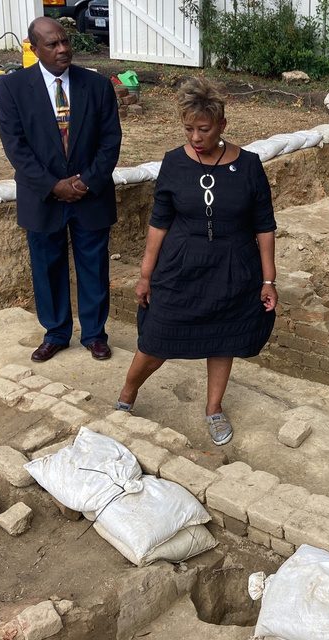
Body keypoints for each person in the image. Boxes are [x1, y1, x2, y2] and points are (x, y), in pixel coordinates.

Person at [115, 76, 277, 447]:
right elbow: (159, 223)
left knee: (223, 340)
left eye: (203, 129)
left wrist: (268, 280)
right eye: (188, 129)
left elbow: (265, 226)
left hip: (234, 267)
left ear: (222, 124)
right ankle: (127, 395)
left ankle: (214, 408)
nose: (195, 137)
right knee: (156, 337)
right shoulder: (173, 163)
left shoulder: (250, 165)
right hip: (181, 265)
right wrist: (145, 274)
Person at [0, 16, 121, 363]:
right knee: (47, 266)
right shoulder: (13, 89)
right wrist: (53, 185)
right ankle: (56, 333)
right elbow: (15, 147)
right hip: (43, 197)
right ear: (34, 48)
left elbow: (110, 141)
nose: (63, 49)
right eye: (52, 44)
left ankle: (95, 334)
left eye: (65, 41)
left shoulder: (96, 86)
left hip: (89, 194)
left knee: (94, 266)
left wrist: (86, 181)